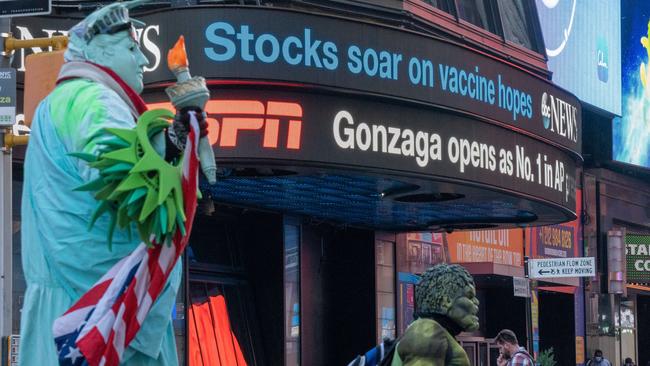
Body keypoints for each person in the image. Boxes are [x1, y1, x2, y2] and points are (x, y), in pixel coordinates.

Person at [18, 1, 206, 365]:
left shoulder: (58, 104)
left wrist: (170, 144)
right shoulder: (94, 100)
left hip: (71, 312)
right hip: (100, 320)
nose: (141, 60)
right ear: (98, 51)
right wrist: (174, 147)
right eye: (131, 49)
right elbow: (122, 179)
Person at [389, 263, 480, 365]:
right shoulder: (426, 330)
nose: (477, 302)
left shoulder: (430, 330)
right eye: (470, 296)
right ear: (446, 301)